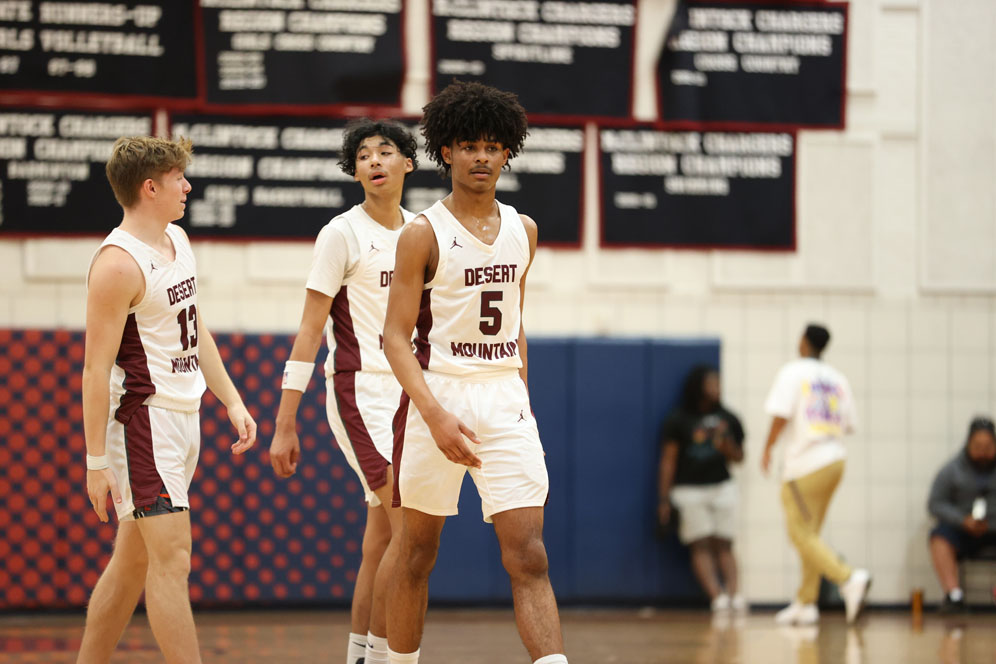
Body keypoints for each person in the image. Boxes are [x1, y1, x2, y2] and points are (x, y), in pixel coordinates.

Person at [382, 80, 567, 664]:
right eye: (468, 145)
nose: (481, 156)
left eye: (492, 145)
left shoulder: (525, 231)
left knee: (529, 555)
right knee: (415, 555)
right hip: (437, 395)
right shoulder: (421, 234)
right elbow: (393, 337)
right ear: (446, 152)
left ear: (508, 151)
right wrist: (434, 414)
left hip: (504, 396)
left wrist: (522, 400)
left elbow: (516, 324)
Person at [78, 136, 257, 663]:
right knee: (173, 559)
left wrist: (231, 400)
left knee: (133, 562)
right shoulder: (116, 265)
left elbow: (195, 331)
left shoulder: (177, 240)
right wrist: (95, 462)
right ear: (149, 187)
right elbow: (94, 369)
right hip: (143, 425)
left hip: (185, 417)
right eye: (179, 177)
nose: (189, 185)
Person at [268, 118, 417, 664]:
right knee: (409, 531)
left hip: (411, 396)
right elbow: (310, 330)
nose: (374, 160)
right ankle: (384, 658)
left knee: (382, 538)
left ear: (408, 161)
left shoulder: (422, 230)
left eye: (385, 151)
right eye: (362, 155)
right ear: (353, 170)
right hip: (361, 391)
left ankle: (359, 655)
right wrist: (287, 422)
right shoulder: (341, 233)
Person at [761, 324, 870, 625]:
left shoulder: (793, 372)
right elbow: (849, 424)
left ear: (803, 342)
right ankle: (806, 602)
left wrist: (767, 448)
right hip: (835, 461)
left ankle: (848, 578)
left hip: (805, 463)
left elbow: (781, 414)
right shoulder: (837, 378)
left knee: (800, 533)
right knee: (812, 534)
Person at [658, 365, 746, 612]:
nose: (717, 388)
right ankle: (717, 598)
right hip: (689, 490)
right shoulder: (679, 419)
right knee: (700, 543)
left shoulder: (728, 418)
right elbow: (668, 461)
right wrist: (664, 500)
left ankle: (735, 596)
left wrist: (725, 443)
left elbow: (739, 457)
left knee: (725, 542)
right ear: (698, 387)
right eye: (711, 383)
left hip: (722, 486)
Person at [927, 416, 996, 612]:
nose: (983, 451)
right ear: (968, 443)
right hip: (964, 530)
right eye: (978, 446)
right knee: (939, 536)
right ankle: (954, 596)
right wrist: (962, 520)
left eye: (988, 446)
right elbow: (935, 503)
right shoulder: (951, 470)